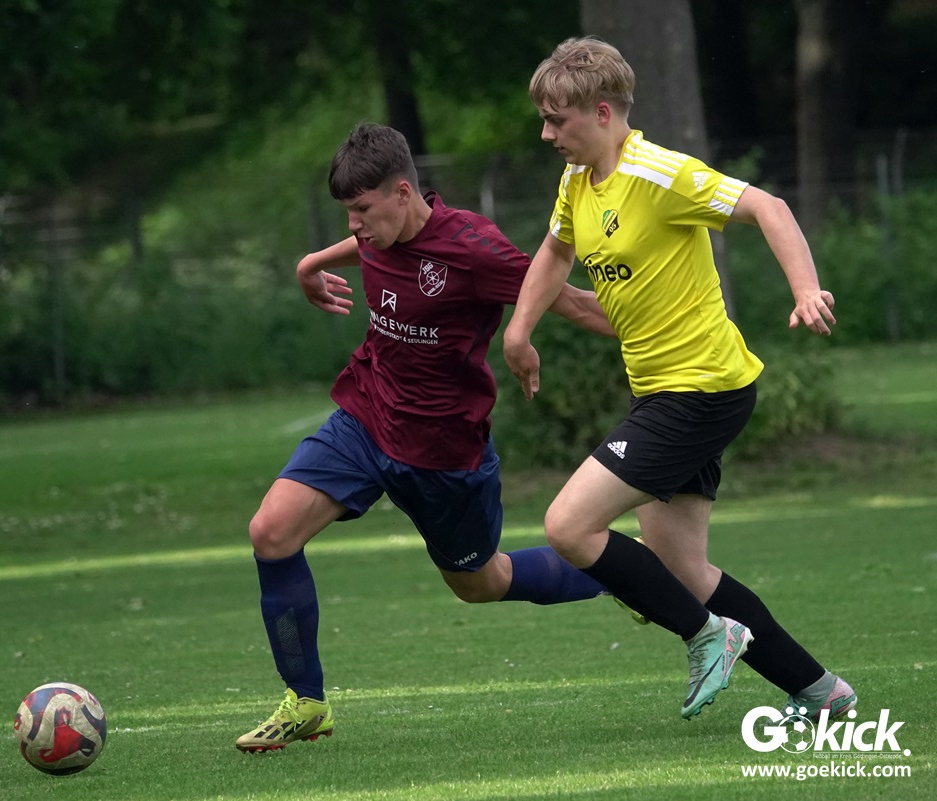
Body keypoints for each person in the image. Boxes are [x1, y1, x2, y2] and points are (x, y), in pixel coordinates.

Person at [236, 122, 623, 753]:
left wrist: (664, 326)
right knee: (270, 532)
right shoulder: (379, 231)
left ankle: (622, 573)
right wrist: (310, 265)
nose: (355, 225)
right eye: (347, 212)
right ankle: (305, 701)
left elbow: (573, 302)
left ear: (402, 192)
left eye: (362, 210)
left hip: (444, 452)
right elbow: (365, 247)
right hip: (365, 417)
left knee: (482, 583)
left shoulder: (474, 249)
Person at [503, 36, 856, 721]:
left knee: (568, 526)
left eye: (556, 121)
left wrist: (805, 288)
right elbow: (554, 251)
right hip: (664, 391)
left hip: (701, 389)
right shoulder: (577, 181)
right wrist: (519, 331)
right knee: (682, 571)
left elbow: (770, 207)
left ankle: (706, 635)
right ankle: (821, 692)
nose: (547, 135)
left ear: (602, 112)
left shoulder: (660, 173)